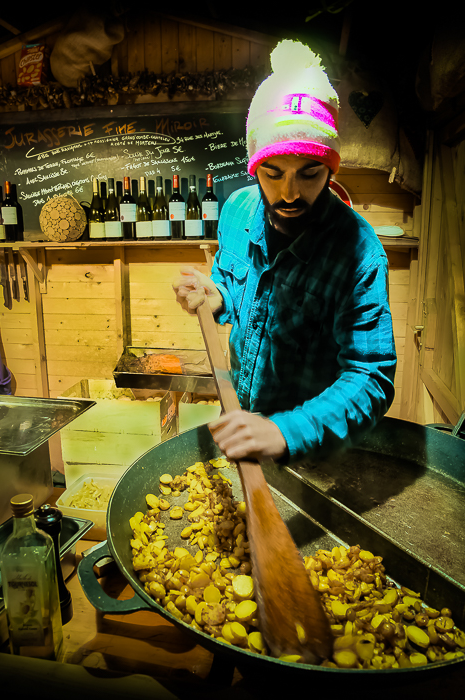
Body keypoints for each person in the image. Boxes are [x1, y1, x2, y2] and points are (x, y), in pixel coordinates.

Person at [173, 40, 396, 465]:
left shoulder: (359, 253)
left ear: (331, 168)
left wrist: (283, 431)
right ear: (255, 166)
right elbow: (233, 291)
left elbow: (371, 377)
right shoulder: (237, 209)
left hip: (311, 447)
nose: (289, 193)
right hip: (240, 421)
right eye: (273, 174)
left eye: (310, 173)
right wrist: (214, 296)